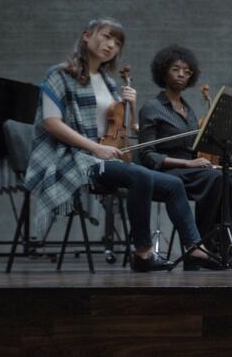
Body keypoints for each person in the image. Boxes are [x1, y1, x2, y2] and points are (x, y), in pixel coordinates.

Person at [23, 18, 212, 272]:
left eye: (117, 42)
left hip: (103, 158)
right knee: (141, 176)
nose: (111, 45)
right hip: (73, 157)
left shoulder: (108, 82)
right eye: (106, 36)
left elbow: (119, 129)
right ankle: (143, 254)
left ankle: (194, 249)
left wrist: (131, 108)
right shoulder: (60, 75)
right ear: (87, 36)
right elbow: (51, 123)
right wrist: (94, 148)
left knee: (173, 184)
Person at [137, 45, 232, 264]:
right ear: (163, 71)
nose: (181, 75)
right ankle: (201, 246)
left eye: (187, 72)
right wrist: (188, 164)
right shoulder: (152, 107)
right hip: (169, 171)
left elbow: (195, 147)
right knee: (215, 179)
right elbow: (147, 155)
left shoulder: (188, 109)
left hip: (194, 170)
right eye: (176, 69)